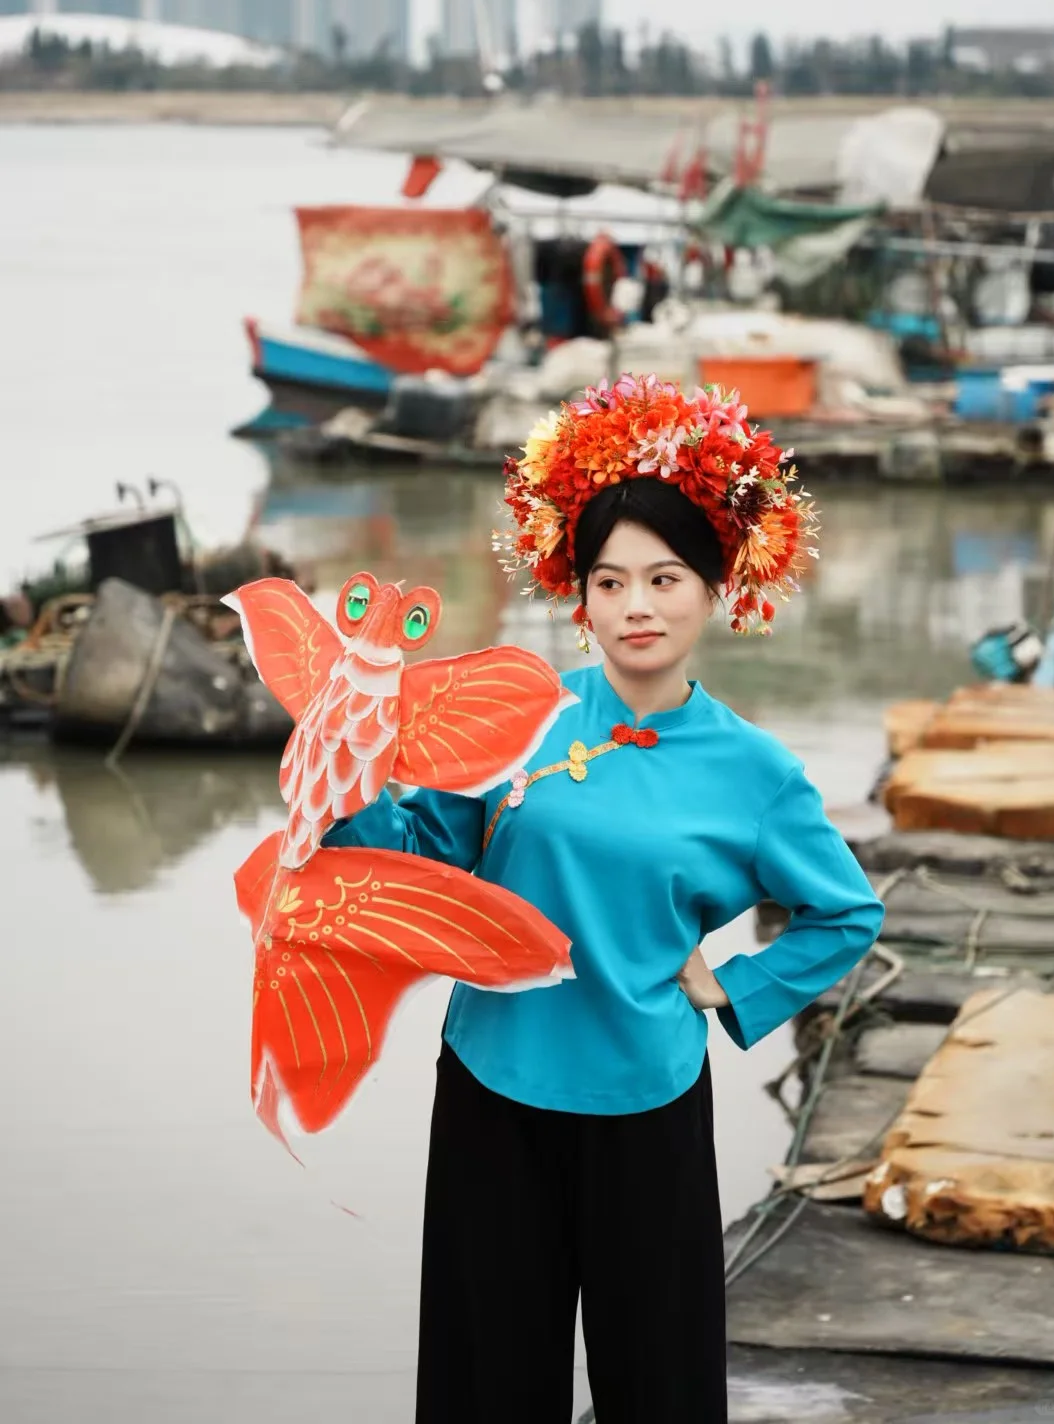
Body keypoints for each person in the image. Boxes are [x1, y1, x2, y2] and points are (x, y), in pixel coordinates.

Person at [325, 373, 885, 1424]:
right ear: (577, 594)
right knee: (487, 1380)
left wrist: (734, 987)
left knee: (659, 1383)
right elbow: (423, 850)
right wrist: (344, 783)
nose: (637, 605)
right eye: (611, 579)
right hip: (494, 1087)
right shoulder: (516, 712)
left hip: (648, 1101)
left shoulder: (752, 770)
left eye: (666, 578)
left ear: (715, 588)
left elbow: (847, 911)